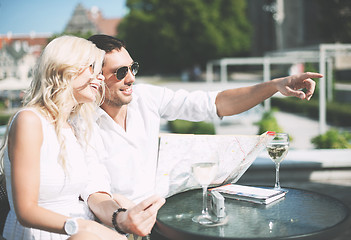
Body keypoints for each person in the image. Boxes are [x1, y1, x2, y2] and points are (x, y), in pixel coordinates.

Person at [88, 34, 323, 237]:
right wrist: (123, 215)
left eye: (132, 68)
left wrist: (275, 85)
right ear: (96, 78)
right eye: (120, 72)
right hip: (108, 228)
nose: (131, 78)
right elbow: (88, 190)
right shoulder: (80, 122)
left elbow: (214, 103)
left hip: (160, 219)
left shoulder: (146, 97)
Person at [1, 35, 128, 240]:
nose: (101, 76)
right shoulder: (30, 121)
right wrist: (84, 228)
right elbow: (25, 211)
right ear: (65, 68)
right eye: (92, 67)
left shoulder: (74, 127)